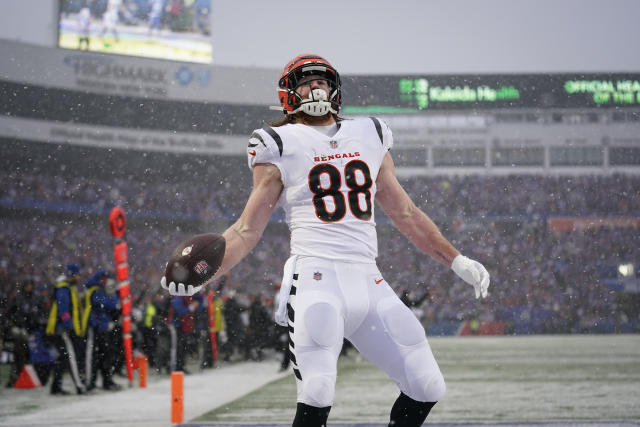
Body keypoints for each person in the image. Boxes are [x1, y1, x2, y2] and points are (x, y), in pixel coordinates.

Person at [162, 54, 490, 426]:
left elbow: (407, 214)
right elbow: (246, 230)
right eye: (305, 82)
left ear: (334, 89)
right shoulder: (278, 142)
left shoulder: (370, 133)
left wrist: (456, 259)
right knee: (317, 391)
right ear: (288, 93)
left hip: (369, 279)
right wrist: (204, 275)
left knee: (428, 384)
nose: (315, 87)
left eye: (321, 81)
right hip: (316, 279)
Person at [46, 263, 87, 395]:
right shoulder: (64, 288)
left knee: (63, 358)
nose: (79, 277)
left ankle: (55, 387)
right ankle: (79, 386)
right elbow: (63, 310)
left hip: (61, 328)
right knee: (70, 357)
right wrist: (69, 326)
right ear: (72, 275)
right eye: (78, 274)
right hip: (62, 329)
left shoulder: (68, 287)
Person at [81, 269, 121, 391]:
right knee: (94, 357)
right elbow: (106, 305)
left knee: (105, 356)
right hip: (95, 327)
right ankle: (91, 382)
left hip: (102, 327)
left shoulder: (99, 289)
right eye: (104, 278)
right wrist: (114, 296)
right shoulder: (95, 290)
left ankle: (106, 381)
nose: (106, 280)